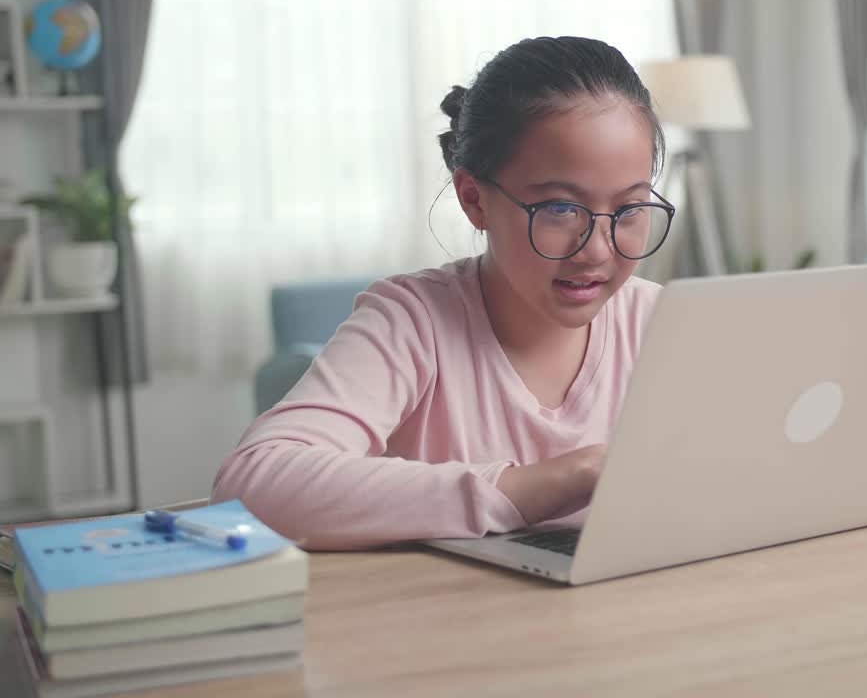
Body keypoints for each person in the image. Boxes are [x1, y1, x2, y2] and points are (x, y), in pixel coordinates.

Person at [211, 36, 675, 550]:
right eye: (561, 209)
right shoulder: (411, 323)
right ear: (474, 199)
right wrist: (538, 485)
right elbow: (253, 484)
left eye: (630, 210)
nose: (597, 249)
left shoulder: (663, 323)